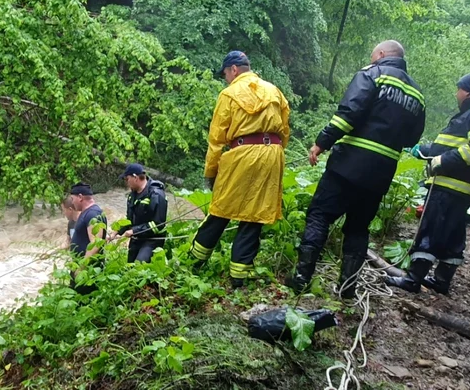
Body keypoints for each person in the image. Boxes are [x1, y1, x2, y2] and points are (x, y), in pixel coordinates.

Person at [286, 40, 426, 298]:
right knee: (358, 228)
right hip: (380, 173)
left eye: (374, 55)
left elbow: (347, 115)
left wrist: (321, 143)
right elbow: (412, 140)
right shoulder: (417, 95)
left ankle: (301, 278)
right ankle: (347, 288)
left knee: (319, 215)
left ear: (382, 54)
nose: (372, 59)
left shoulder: (373, 74)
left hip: (348, 165)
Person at [385, 70, 470, 295]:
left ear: (468, 92)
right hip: (457, 187)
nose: (456, 94)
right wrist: (423, 151)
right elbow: (451, 145)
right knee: (452, 233)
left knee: (431, 229)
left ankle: (413, 279)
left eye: (459, 90)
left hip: (451, 185)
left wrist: (441, 162)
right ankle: (441, 281)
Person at [188, 50, 290, 288]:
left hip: (242, 153)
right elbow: (284, 130)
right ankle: (238, 279)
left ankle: (193, 263)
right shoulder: (274, 91)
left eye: (225, 73)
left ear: (233, 69)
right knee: (255, 214)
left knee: (221, 209)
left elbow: (216, 139)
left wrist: (211, 173)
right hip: (273, 154)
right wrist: (273, 152)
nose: (225, 78)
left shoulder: (229, 93)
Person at [110, 163, 168, 263]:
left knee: (139, 266)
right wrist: (116, 231)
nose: (126, 183)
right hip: (137, 238)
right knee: (130, 268)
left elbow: (158, 224)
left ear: (135, 178)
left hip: (152, 240)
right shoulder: (132, 195)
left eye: (127, 179)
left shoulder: (156, 194)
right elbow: (129, 219)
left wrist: (134, 231)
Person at [69, 182, 107, 294]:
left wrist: (82, 267)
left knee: (84, 301)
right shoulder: (86, 213)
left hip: (87, 270)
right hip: (81, 268)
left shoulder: (93, 214)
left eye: (73, 198)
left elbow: (96, 243)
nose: (72, 202)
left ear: (80, 197)